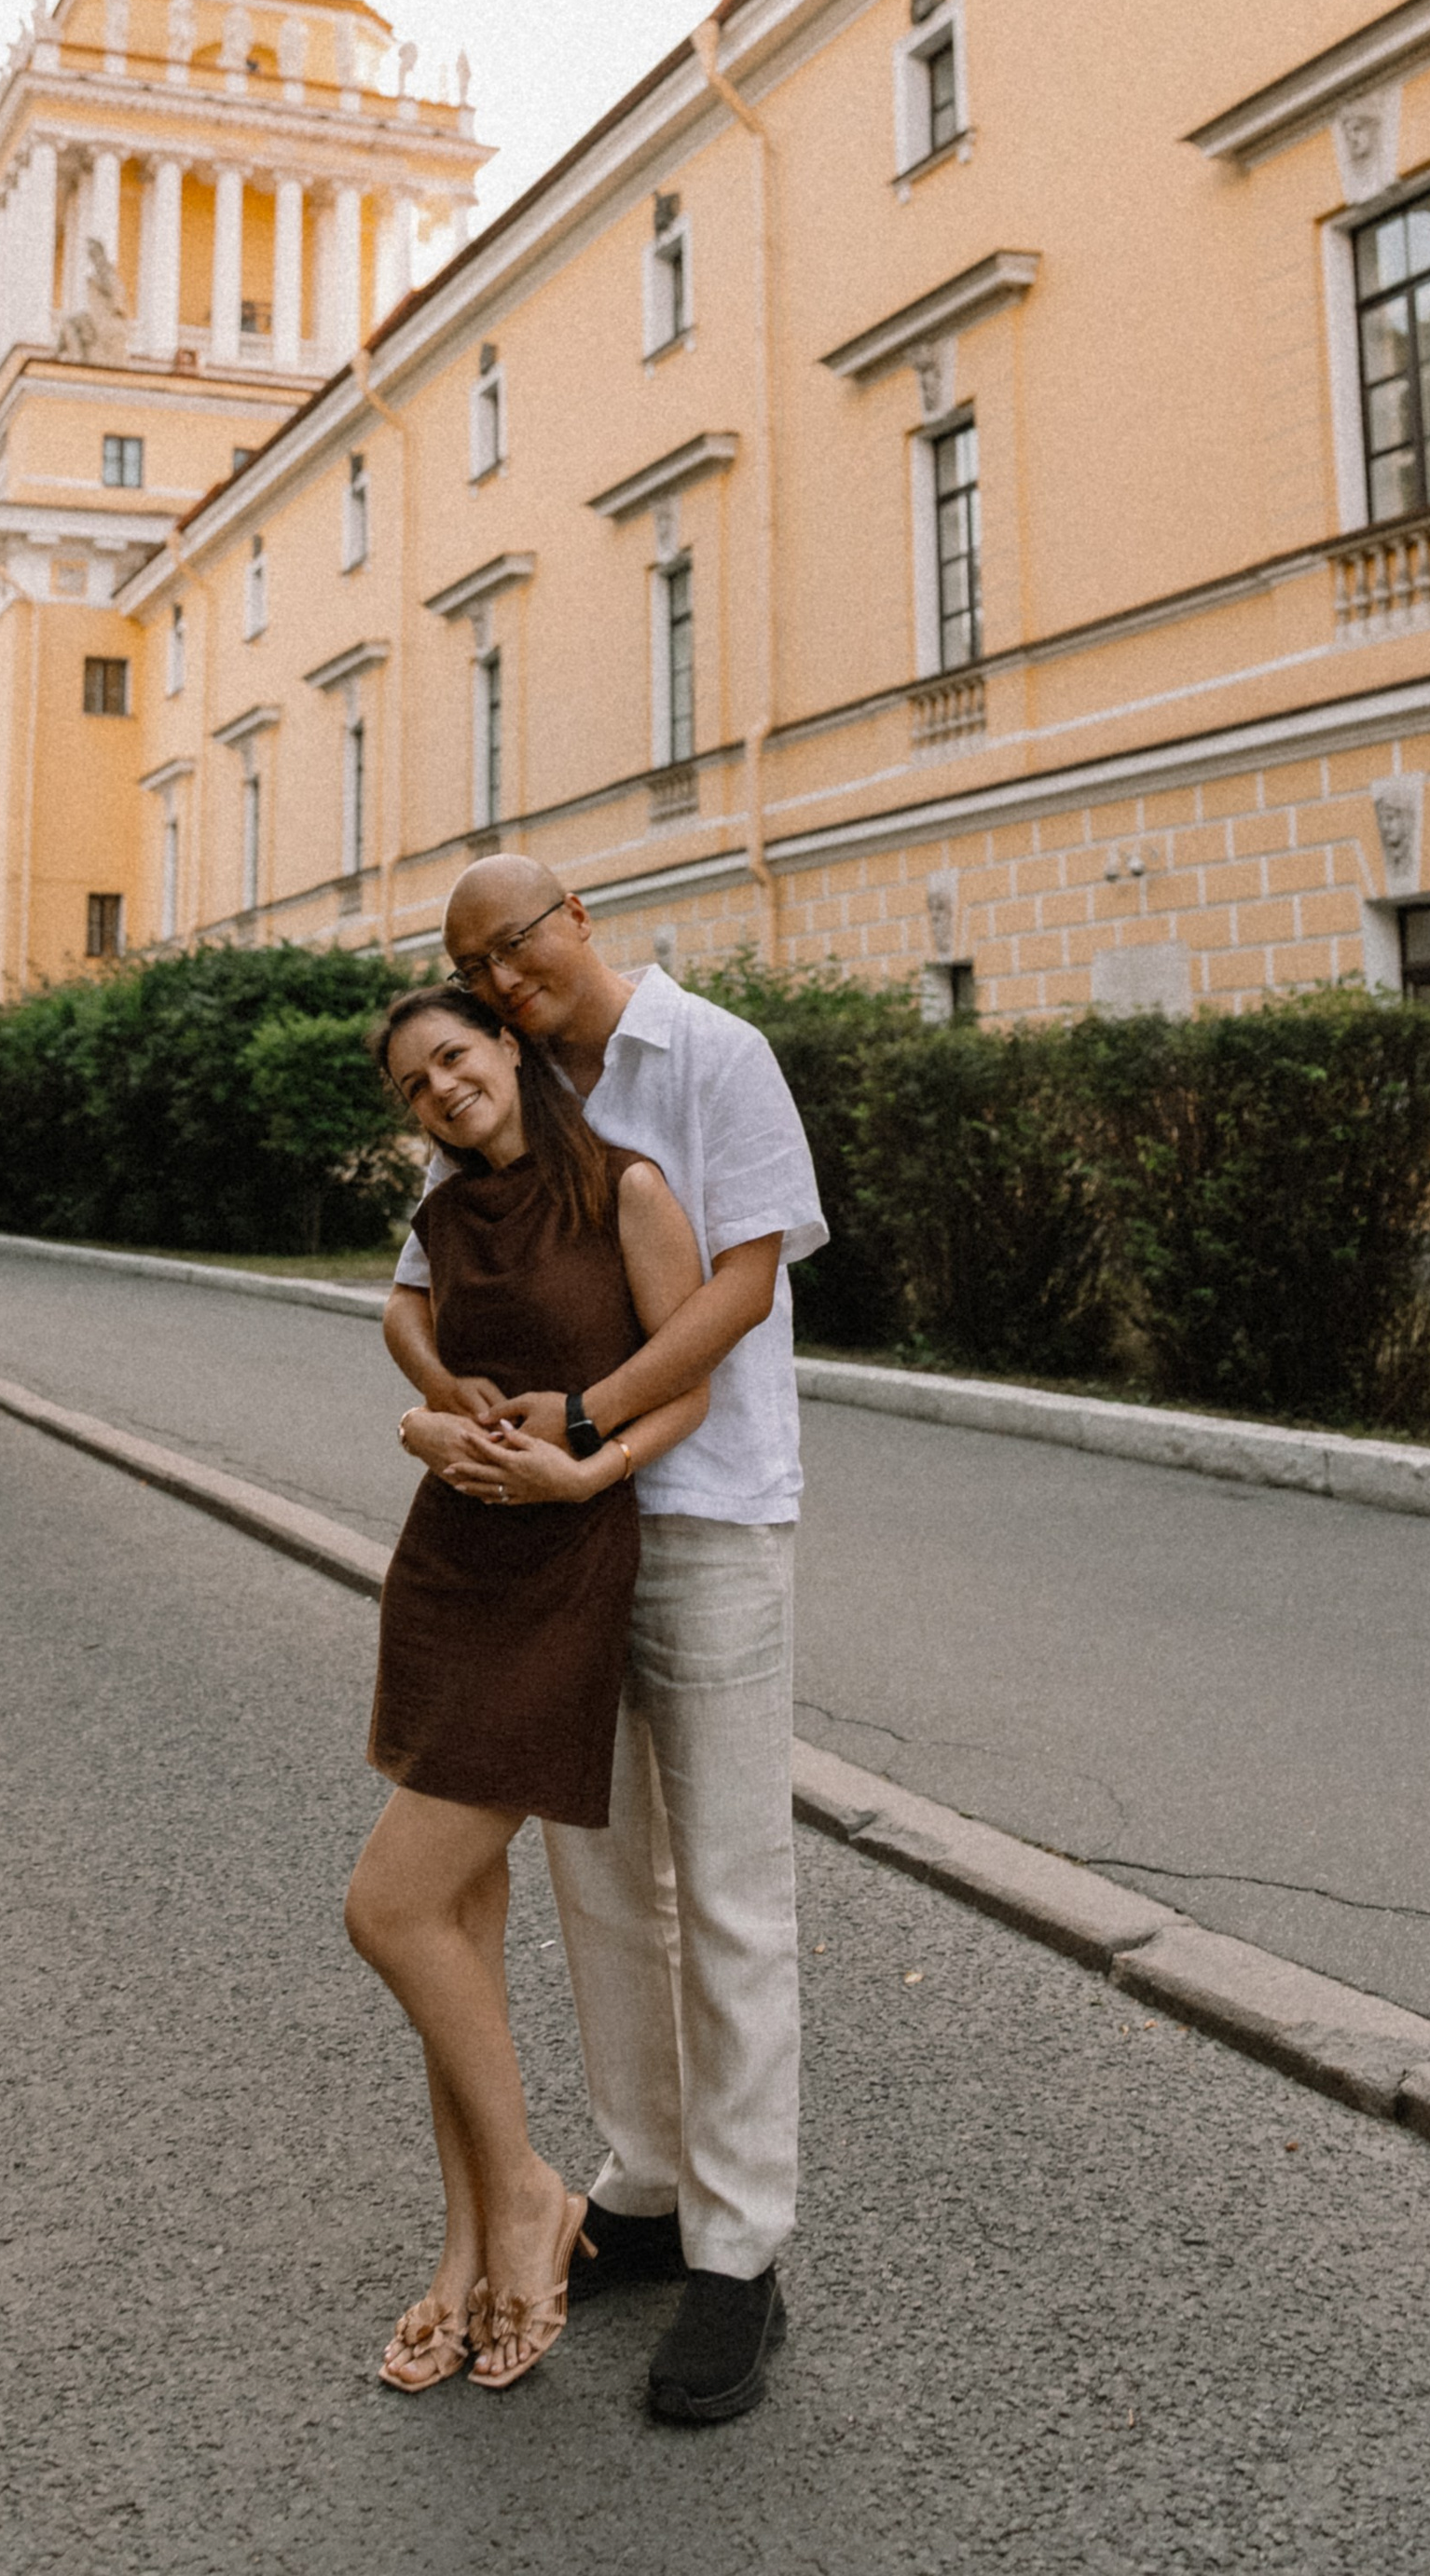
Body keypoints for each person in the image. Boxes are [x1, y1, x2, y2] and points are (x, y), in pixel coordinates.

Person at [384, 860, 826, 2426]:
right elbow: (416, 1291)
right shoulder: (502, 1092)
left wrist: (585, 1422)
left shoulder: (710, 1055)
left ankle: (741, 2244)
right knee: (599, 1879)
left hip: (701, 1517)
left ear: (577, 916)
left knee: (727, 1887)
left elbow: (743, 1289)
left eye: (513, 944)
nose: (498, 981)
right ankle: (642, 2182)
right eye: (470, 967)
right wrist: (457, 1421)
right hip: (548, 1543)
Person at [346, 983, 718, 2395]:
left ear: (507, 1045)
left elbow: (693, 1384)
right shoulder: (444, 1207)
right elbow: (403, 1312)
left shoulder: (627, 1188)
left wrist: (588, 1462)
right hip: (448, 1560)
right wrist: (439, 1400)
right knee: (457, 1921)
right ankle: (465, 2254)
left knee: (387, 1904)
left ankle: (527, 2196)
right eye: (414, 1084)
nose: (441, 1088)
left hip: (564, 1563)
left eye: (456, 1055)